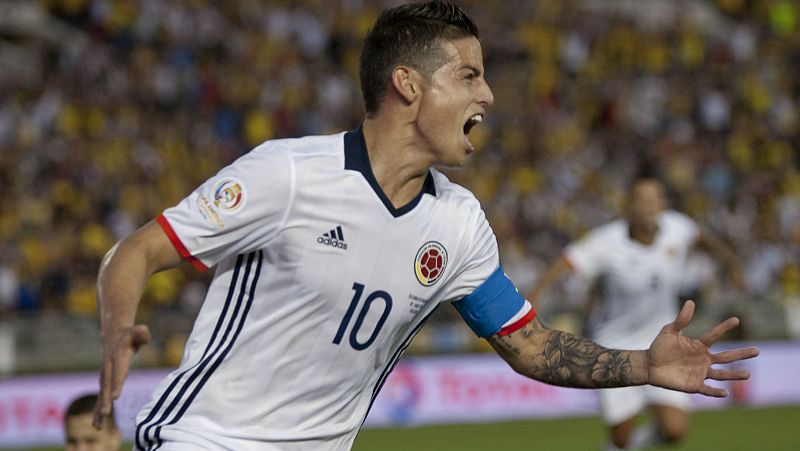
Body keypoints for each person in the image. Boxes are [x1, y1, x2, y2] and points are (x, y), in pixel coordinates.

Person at [93, 2, 758, 450]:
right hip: (205, 438)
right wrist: (120, 323)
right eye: (468, 75)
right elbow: (140, 247)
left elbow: (528, 344)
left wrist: (643, 362)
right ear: (407, 85)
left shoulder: (459, 223)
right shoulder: (289, 173)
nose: (488, 96)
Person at [528, 173, 747, 450]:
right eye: (641, 200)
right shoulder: (607, 242)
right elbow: (567, 261)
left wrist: (731, 263)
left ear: (663, 203)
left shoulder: (677, 228)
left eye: (655, 199)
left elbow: (701, 237)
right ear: (628, 206)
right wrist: (536, 293)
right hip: (615, 345)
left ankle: (638, 443)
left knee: (674, 430)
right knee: (620, 439)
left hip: (663, 342)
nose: (649, 206)